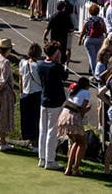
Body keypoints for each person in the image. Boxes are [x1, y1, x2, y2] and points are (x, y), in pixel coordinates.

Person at [37, 40, 67, 170]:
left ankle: (42, 158)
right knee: (52, 131)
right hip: (55, 101)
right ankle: (50, 159)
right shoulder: (56, 67)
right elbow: (64, 76)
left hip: (44, 100)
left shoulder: (40, 64)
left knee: (43, 130)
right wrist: (60, 61)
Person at [57, 75, 91, 176]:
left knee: (75, 142)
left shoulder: (73, 91)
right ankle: (75, 169)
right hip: (73, 117)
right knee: (83, 143)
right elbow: (82, 110)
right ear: (87, 85)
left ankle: (68, 168)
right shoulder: (86, 92)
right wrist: (88, 109)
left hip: (64, 115)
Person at [18, 42, 43, 150]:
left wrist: (21, 91)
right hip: (36, 93)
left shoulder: (23, 63)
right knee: (36, 119)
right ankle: (35, 142)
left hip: (25, 93)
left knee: (26, 118)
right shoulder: (38, 66)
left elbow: (20, 79)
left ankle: (28, 139)